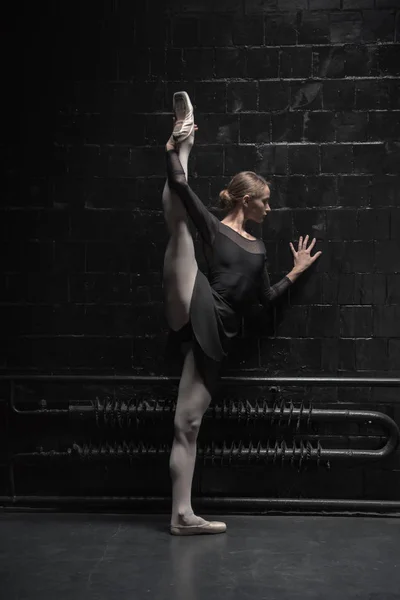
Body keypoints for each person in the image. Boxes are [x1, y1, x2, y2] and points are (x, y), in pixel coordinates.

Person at [162, 92, 322, 536]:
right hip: (194, 294)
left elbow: (261, 301)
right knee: (180, 228)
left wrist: (295, 272)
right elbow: (180, 188)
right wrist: (174, 153)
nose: (269, 209)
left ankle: (181, 515)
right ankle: (182, 140)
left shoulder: (258, 247)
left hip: (218, 330)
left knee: (188, 423)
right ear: (245, 199)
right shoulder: (214, 228)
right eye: (264, 201)